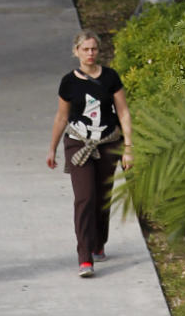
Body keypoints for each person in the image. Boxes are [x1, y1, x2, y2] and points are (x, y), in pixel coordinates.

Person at [46, 29, 132, 277]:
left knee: (102, 198)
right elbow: (62, 116)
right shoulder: (68, 82)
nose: (90, 53)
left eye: (93, 49)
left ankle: (98, 243)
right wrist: (52, 148)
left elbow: (123, 112)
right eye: (85, 49)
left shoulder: (111, 78)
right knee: (85, 197)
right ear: (76, 52)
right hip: (79, 143)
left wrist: (129, 148)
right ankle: (84, 257)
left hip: (108, 142)